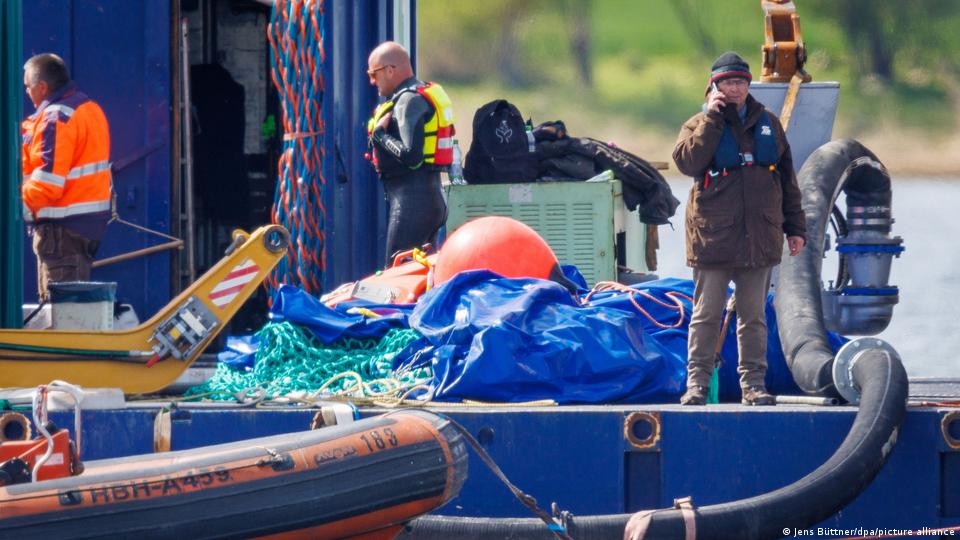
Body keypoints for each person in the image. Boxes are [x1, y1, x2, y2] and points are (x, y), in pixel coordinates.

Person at [672, 52, 806, 406]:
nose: (735, 89)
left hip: (759, 238)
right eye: (728, 83)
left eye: (741, 82)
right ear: (714, 86)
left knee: (754, 317)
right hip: (712, 240)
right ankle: (697, 385)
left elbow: (788, 181)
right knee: (705, 316)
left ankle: (754, 385)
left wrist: (795, 229)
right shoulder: (697, 124)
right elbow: (688, 162)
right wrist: (712, 120)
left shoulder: (769, 124)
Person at [21, 53, 112, 302]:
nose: (27, 93)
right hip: (83, 228)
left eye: (28, 87)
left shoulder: (55, 117)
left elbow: (47, 185)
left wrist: (12, 206)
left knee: (60, 313)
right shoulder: (88, 109)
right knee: (72, 311)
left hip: (62, 231)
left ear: (42, 87)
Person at [366, 41, 453, 266]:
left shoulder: (408, 101)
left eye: (373, 74)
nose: (371, 81)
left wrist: (380, 137)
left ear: (390, 70)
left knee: (395, 275)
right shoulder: (418, 94)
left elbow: (412, 157)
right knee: (419, 278)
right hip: (430, 199)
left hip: (412, 202)